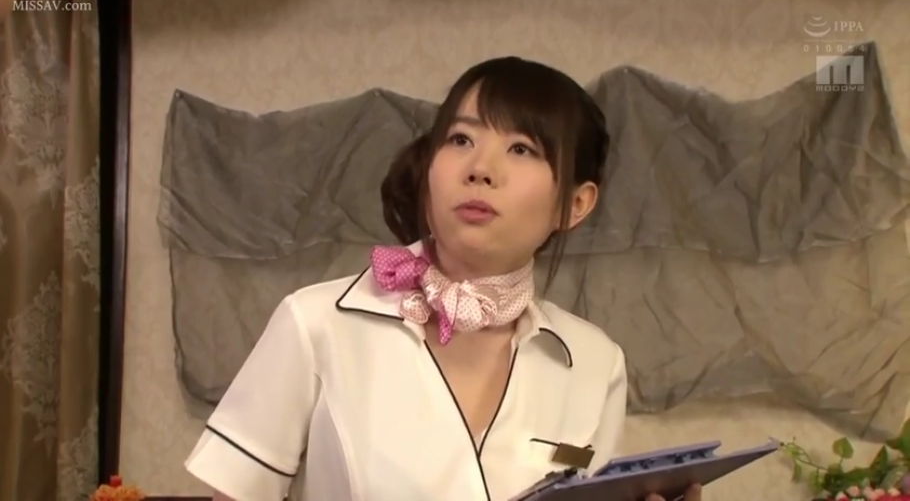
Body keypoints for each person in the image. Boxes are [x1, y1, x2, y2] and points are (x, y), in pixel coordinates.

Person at [184, 56, 702, 501]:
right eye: (460, 139)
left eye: (521, 148)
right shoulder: (315, 323)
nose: (480, 168)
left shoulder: (596, 362)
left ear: (575, 204)